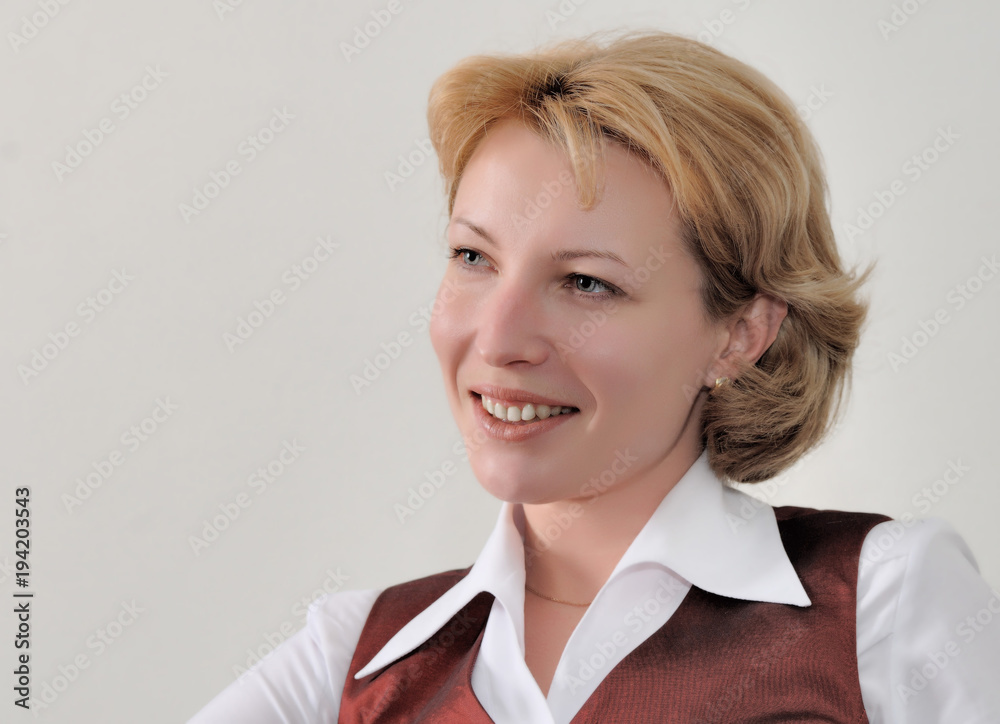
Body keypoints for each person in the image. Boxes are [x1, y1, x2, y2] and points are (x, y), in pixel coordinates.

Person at [188, 29, 1000, 723]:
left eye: (586, 283)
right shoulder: (353, 661)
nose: (498, 338)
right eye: (473, 257)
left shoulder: (881, 605)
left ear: (740, 334)